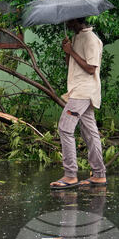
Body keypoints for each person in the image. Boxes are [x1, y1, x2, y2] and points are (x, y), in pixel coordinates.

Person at [50, 18, 107, 189]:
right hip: (78, 91)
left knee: (65, 127)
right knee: (89, 132)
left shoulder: (91, 39)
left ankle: (70, 175)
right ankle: (99, 175)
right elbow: (71, 64)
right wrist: (67, 51)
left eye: (69, 20)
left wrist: (72, 51)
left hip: (84, 92)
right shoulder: (77, 37)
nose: (67, 23)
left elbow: (91, 68)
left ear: (77, 19)